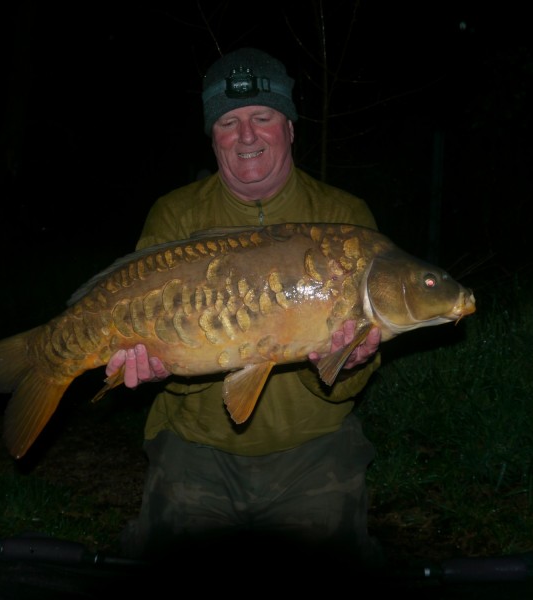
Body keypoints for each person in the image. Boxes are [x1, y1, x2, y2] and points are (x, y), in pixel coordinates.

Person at [106, 47, 384, 571]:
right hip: (195, 449)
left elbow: (345, 383)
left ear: (291, 126)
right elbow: (169, 362)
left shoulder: (343, 219)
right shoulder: (177, 215)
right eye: (229, 123)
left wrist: (348, 362)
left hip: (315, 452)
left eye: (263, 117)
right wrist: (163, 365)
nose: (247, 136)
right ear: (212, 136)